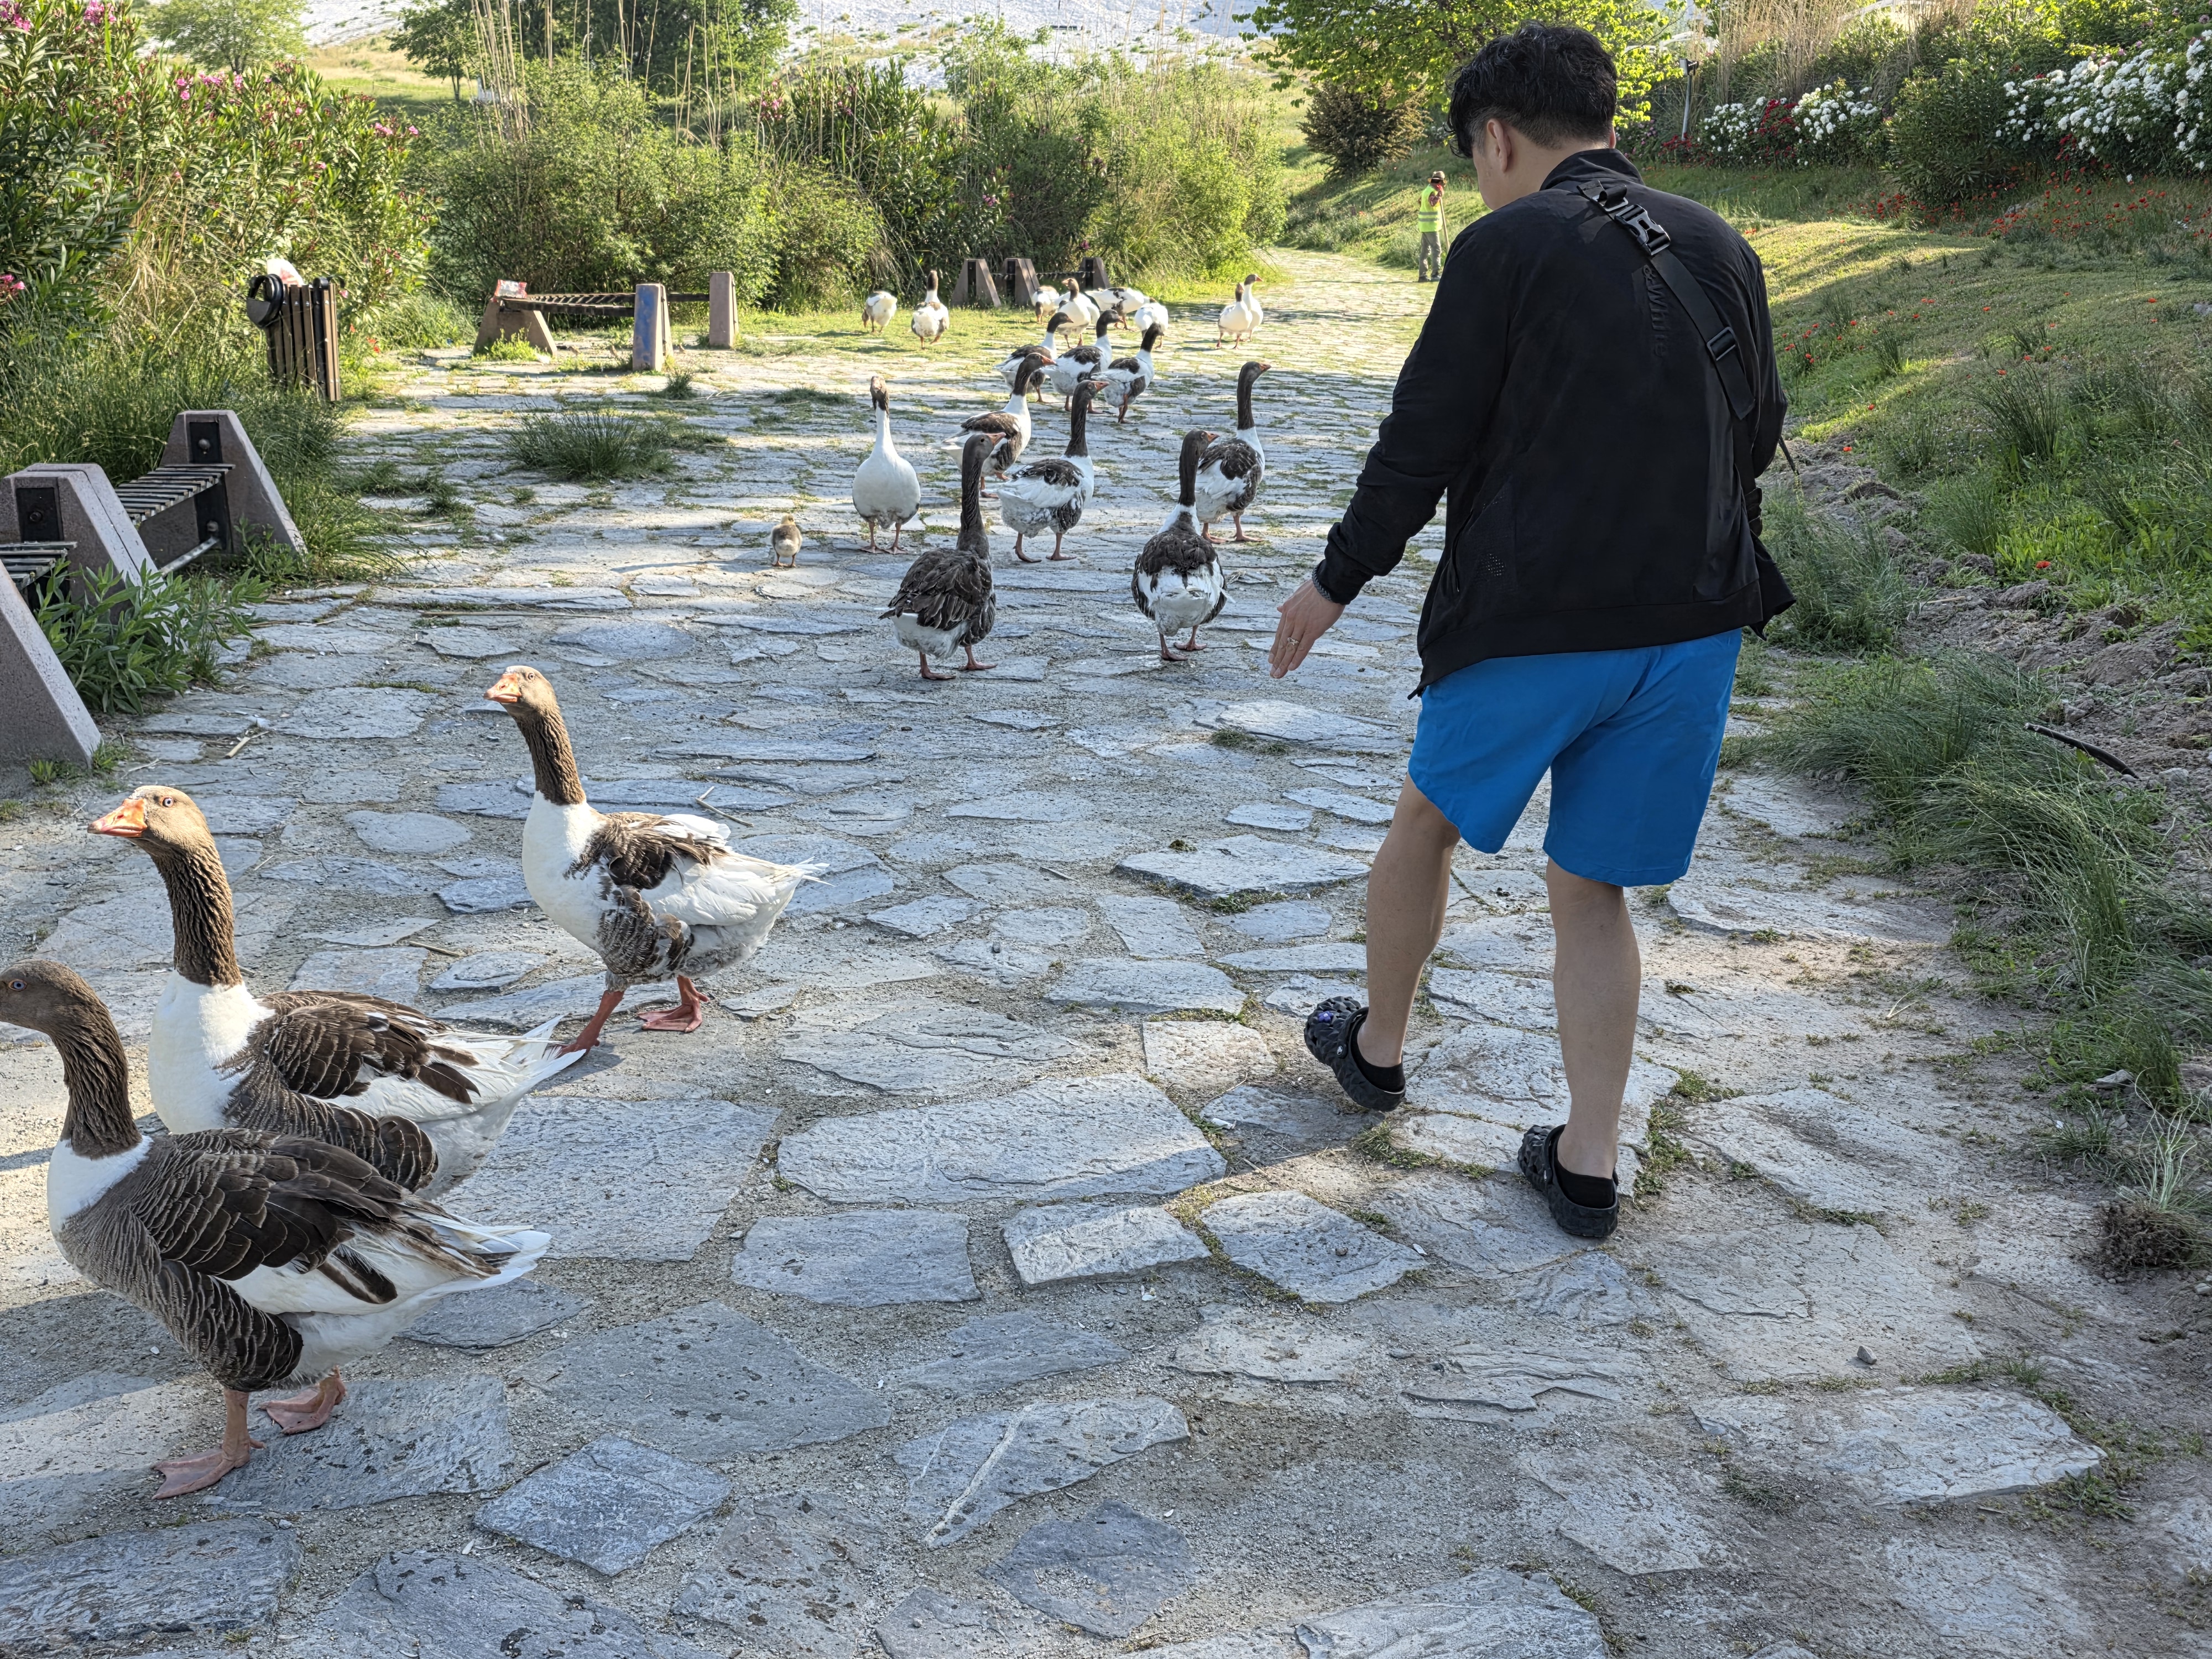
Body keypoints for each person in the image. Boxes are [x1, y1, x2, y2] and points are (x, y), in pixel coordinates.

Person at [1267, 23, 1787, 1240]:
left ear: (1494, 137)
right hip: (1691, 626)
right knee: (1590, 888)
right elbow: (1755, 427)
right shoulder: (1720, 243)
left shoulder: (1500, 245)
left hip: (1532, 626)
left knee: (1424, 827)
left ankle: (1379, 1051)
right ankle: (1589, 1161)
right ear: (1605, 120)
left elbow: (1422, 438)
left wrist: (1333, 583)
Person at [1415, 172, 1447, 281]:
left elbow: (1420, 201)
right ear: (1438, 182)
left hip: (1425, 226)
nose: (1442, 186)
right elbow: (1432, 203)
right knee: (1437, 250)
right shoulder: (1432, 191)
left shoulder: (1426, 190)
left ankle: (1422, 276)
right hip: (1430, 227)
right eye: (1441, 183)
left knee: (1425, 251)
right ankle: (1435, 274)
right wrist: (1439, 195)